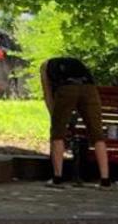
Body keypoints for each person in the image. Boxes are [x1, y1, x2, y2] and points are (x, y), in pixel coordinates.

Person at [40, 56, 111, 188]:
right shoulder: (77, 64)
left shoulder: (45, 66)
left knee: (57, 134)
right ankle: (105, 180)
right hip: (89, 89)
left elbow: (47, 93)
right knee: (97, 134)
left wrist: (54, 116)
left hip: (66, 88)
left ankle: (57, 178)